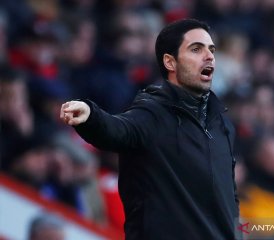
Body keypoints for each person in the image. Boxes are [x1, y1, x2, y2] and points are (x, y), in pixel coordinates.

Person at [60, 19, 239, 240]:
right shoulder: (152, 114)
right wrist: (90, 115)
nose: (209, 56)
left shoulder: (223, 125)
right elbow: (117, 129)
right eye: (196, 49)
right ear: (170, 63)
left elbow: (228, 198)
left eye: (211, 49)